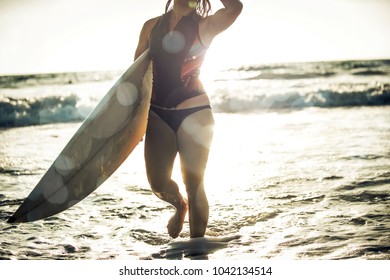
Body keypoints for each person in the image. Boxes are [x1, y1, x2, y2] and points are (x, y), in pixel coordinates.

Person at [134, 0, 243, 239]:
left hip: (195, 111)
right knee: (159, 184)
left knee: (194, 183)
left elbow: (235, 8)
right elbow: (136, 76)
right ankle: (179, 206)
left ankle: (197, 250)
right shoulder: (151, 27)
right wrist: (133, 123)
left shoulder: (206, 25)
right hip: (158, 112)